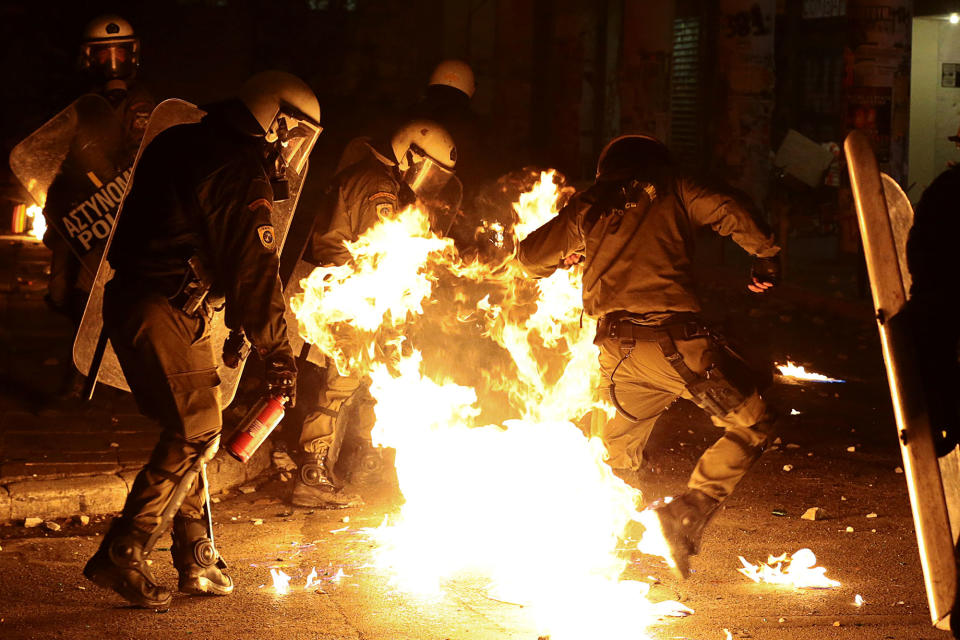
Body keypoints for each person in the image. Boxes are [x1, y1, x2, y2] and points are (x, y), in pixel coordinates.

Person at [82, 71, 321, 609]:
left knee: (193, 428)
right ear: (274, 122)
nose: (293, 150)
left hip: (144, 301)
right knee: (197, 427)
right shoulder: (239, 170)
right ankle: (124, 550)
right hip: (164, 307)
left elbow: (191, 234)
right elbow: (254, 270)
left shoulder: (181, 140)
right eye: (295, 134)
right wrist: (277, 351)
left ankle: (194, 556)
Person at [516, 134, 781, 577]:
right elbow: (728, 208)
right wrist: (765, 257)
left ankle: (605, 548)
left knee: (614, 453)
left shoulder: (592, 203)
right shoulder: (675, 187)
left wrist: (565, 259)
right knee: (754, 424)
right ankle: (688, 510)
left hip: (617, 356)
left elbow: (529, 256)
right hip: (676, 349)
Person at [290, 118, 457, 508]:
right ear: (411, 152)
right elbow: (377, 252)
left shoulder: (371, 176)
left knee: (370, 381)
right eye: (427, 168)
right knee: (341, 384)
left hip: (354, 293)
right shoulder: (379, 186)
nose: (425, 180)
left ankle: (362, 463)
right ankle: (311, 474)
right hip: (354, 296)